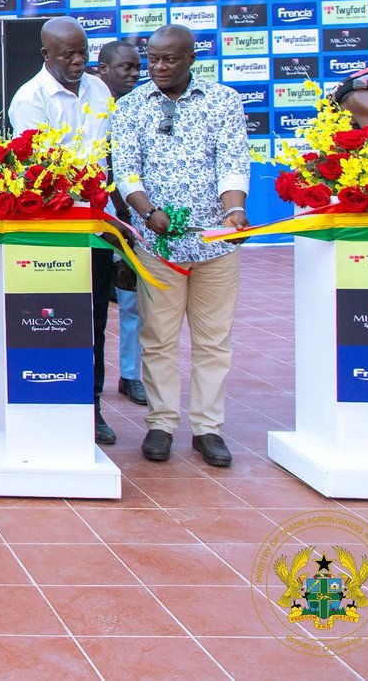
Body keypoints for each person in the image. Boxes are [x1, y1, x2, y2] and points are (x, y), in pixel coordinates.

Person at [111, 24, 251, 469]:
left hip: (217, 244)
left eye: (169, 59)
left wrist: (234, 211)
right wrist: (147, 212)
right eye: (152, 58)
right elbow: (126, 173)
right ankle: (161, 423)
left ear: (191, 58)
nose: (159, 67)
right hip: (157, 242)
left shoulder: (223, 101)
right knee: (158, 338)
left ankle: (208, 428)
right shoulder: (130, 107)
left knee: (213, 340)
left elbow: (233, 162)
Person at [8, 16, 118, 445]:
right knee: (53, 319)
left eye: (83, 52)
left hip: (95, 220)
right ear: (45, 55)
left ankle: (92, 407)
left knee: (95, 320)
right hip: (51, 225)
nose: (77, 61)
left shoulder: (100, 90)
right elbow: (42, 168)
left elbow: (107, 154)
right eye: (67, 54)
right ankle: (49, 400)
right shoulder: (29, 99)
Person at [96, 40, 147, 407]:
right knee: (95, 306)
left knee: (133, 300)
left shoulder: (145, 105)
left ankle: (131, 375)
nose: (133, 73)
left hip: (139, 214)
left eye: (136, 67)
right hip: (101, 216)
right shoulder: (91, 105)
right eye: (125, 67)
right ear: (103, 70)